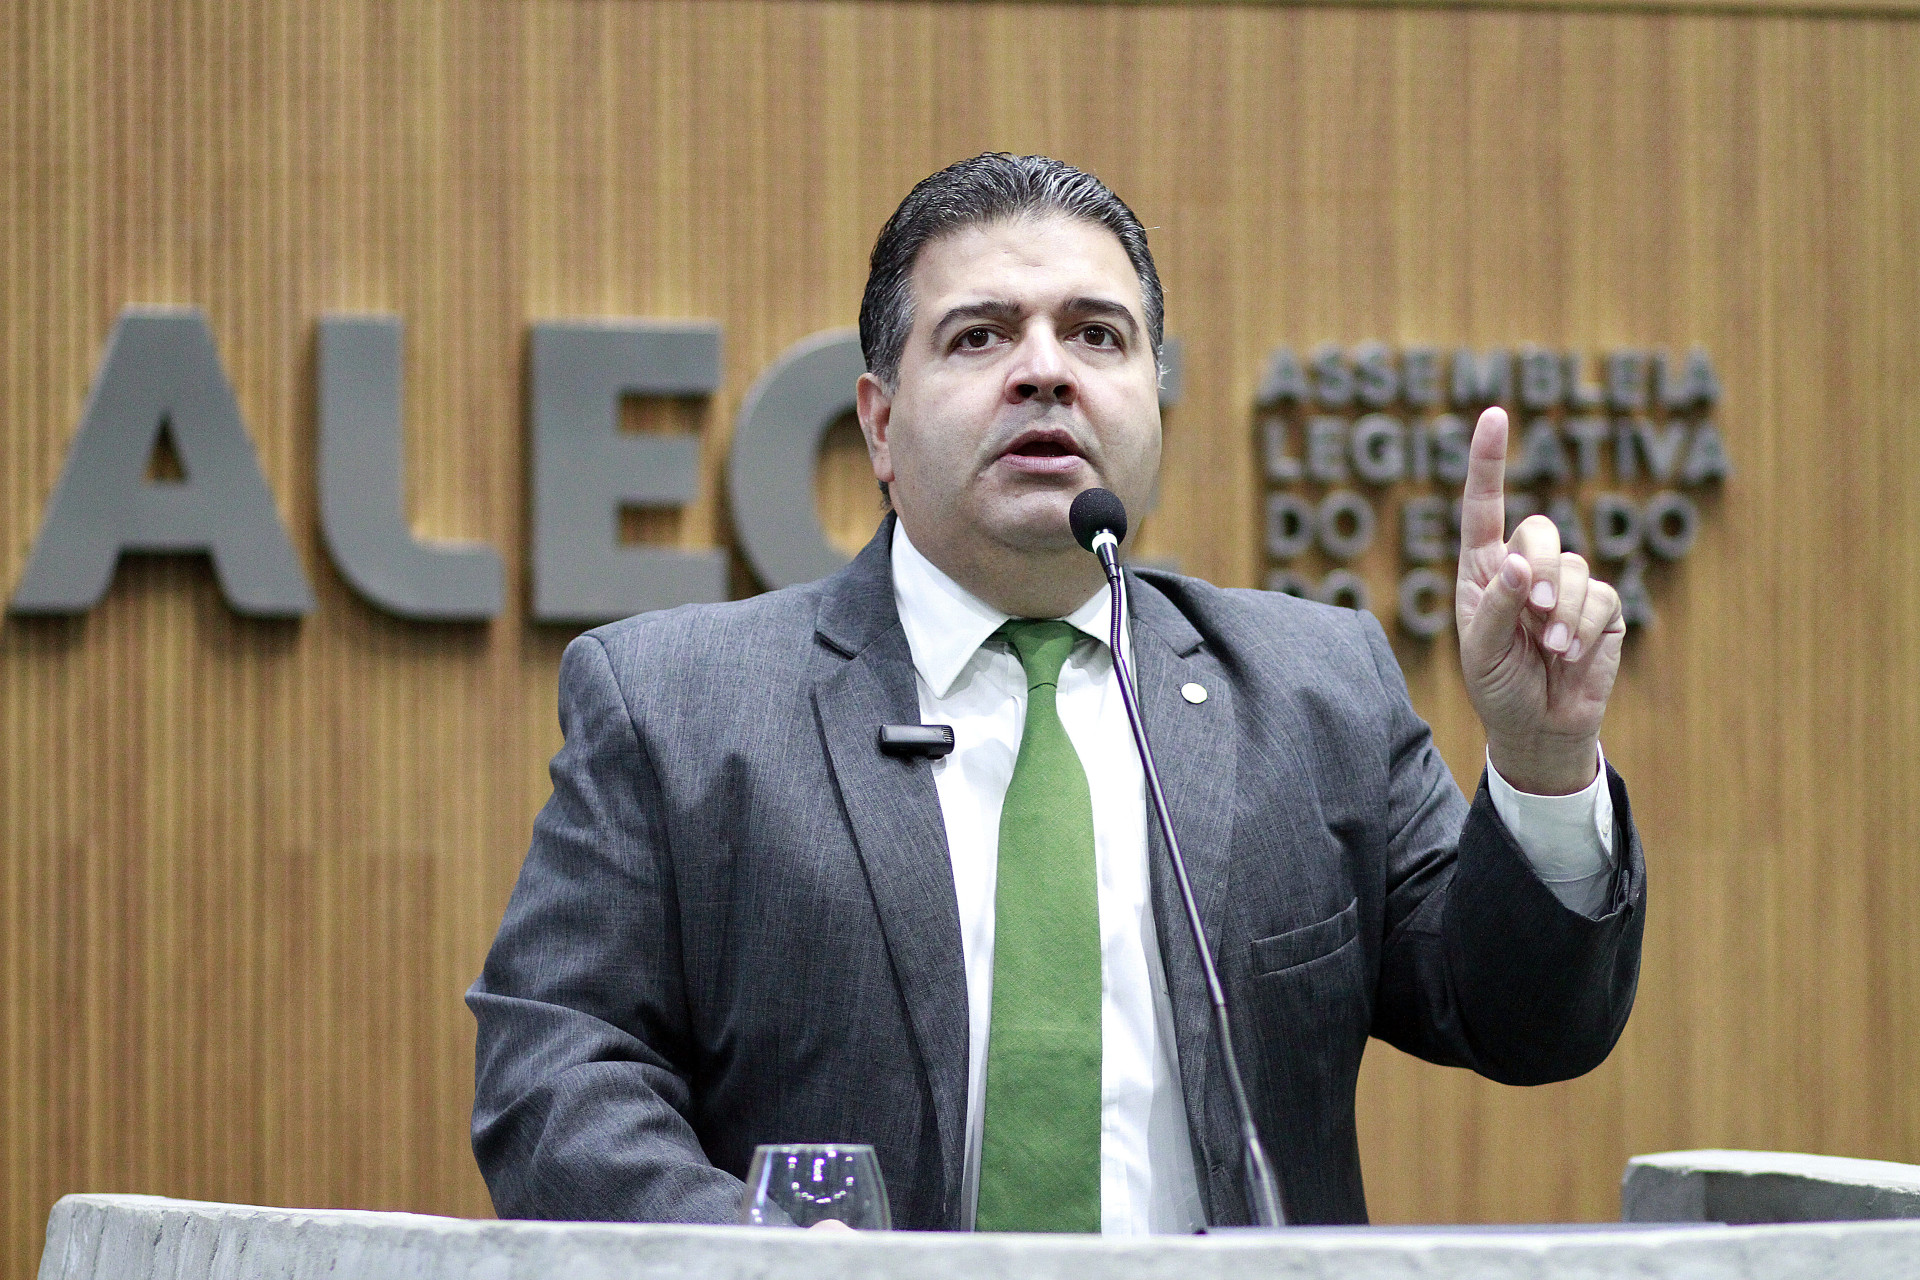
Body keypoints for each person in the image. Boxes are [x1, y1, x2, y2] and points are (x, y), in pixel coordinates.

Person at [468, 153, 1643, 1234]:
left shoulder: (1311, 690)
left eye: (1097, 335)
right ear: (878, 423)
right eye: (980, 337)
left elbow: (1524, 1020)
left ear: (1153, 402)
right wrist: (761, 1260)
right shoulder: (678, 707)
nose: (1045, 370)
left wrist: (1542, 762)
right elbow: (558, 1065)